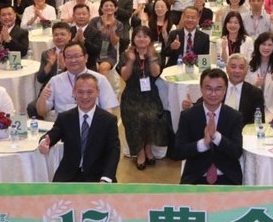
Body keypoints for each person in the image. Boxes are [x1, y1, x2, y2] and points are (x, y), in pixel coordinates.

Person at [38, 73, 121, 183]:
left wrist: (106, 178)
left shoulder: (108, 120)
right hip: (68, 175)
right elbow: (52, 135)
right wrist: (44, 141)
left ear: (98, 92)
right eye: (80, 92)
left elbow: (113, 151)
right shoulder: (65, 117)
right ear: (74, 93)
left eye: (90, 92)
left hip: (99, 176)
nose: (85, 96)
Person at [175, 67, 244, 185]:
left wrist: (216, 137)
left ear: (225, 90)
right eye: (208, 88)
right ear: (201, 89)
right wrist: (203, 143)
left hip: (227, 176)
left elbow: (237, 152)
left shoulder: (234, 116)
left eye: (218, 89)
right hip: (195, 176)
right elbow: (178, 151)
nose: (213, 94)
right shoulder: (188, 116)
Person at [117, 26, 169, 170]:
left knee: (152, 116)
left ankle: (148, 148)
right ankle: (140, 151)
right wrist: (130, 61)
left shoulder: (155, 54)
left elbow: (155, 73)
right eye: (138, 36)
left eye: (145, 36)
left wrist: (151, 58)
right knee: (136, 116)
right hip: (131, 95)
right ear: (133, 38)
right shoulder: (126, 54)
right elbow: (125, 76)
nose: (141, 39)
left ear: (150, 39)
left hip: (150, 95)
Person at [221, 54, 265, 127]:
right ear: (227, 69)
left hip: (243, 131)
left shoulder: (255, 93)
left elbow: (258, 122)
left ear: (246, 71)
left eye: (241, 67)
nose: (237, 71)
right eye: (233, 67)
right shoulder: (218, 88)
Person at [247, 32, 273, 113]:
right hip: (253, 107)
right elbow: (245, 91)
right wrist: (256, 85)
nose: (266, 48)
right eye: (263, 44)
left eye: (270, 45)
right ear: (258, 45)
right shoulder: (249, 65)